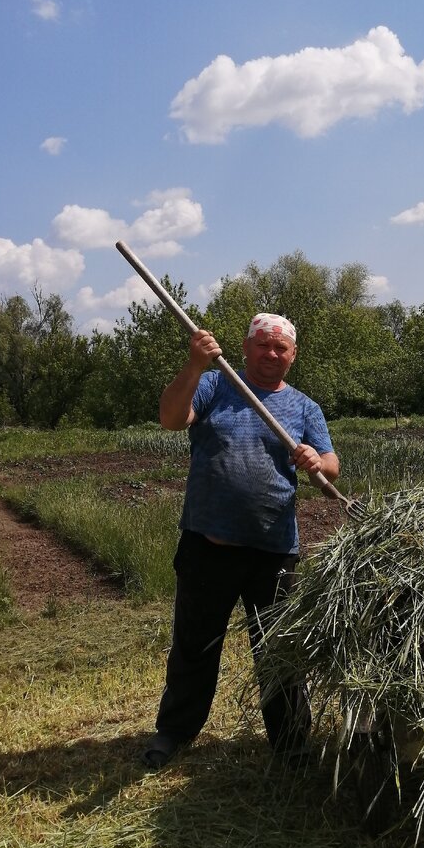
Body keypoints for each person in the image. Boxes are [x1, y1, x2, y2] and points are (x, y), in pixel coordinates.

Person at [143, 312, 340, 769]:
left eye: (281, 348)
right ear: (246, 347)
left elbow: (332, 466)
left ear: (292, 356)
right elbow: (171, 419)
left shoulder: (304, 407)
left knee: (280, 652)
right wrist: (194, 365)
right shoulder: (215, 385)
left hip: (273, 551)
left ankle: (291, 744)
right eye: (263, 345)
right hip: (207, 545)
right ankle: (173, 732)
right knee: (195, 644)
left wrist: (317, 461)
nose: (271, 354)